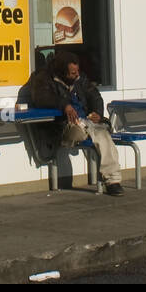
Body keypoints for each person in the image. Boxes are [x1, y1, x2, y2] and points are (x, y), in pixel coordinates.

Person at [27, 50, 124, 196]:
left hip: (85, 122)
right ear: (62, 72)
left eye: (77, 71)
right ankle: (88, 128)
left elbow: (95, 95)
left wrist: (97, 112)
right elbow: (41, 98)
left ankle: (113, 181)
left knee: (103, 136)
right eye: (72, 73)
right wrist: (64, 105)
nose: (76, 75)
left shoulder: (80, 78)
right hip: (62, 127)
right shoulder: (43, 78)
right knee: (84, 128)